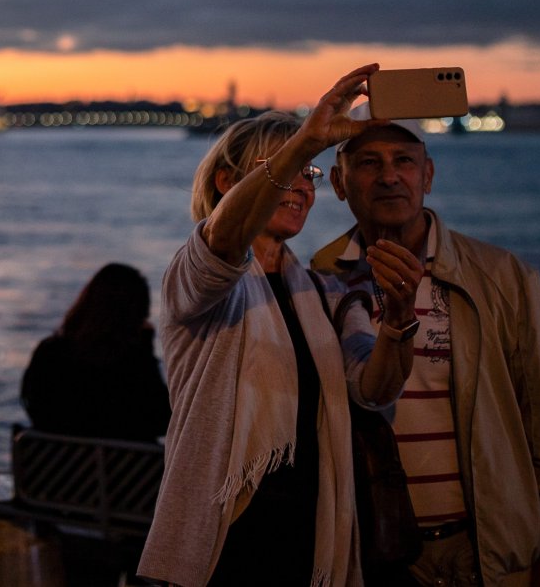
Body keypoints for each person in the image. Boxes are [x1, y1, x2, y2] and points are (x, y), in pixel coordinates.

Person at [138, 65, 423, 587]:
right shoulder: (198, 279)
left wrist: (400, 323)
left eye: (309, 174)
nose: (300, 186)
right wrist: (307, 141)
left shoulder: (324, 291)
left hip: (307, 536)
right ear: (228, 181)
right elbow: (222, 241)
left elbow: (373, 388)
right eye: (282, 169)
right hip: (226, 535)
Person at [313, 113, 540, 587]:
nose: (390, 176)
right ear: (339, 182)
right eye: (369, 163)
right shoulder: (320, 280)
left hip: (482, 550)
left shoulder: (501, 277)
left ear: (429, 175)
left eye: (404, 161)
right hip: (370, 551)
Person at [21, 262, 170, 441]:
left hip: (60, 465)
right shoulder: (134, 364)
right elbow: (163, 420)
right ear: (137, 314)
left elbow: (35, 409)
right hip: (122, 466)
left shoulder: (49, 352)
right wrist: (145, 347)